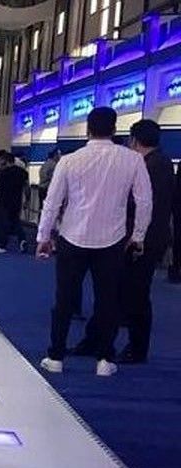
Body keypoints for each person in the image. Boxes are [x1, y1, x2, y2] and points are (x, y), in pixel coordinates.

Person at [36, 107, 151, 377]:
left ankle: (55, 356)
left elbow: (52, 202)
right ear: (115, 129)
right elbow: (145, 201)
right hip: (112, 240)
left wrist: (43, 237)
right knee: (107, 300)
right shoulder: (133, 160)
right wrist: (138, 236)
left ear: (88, 130)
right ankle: (104, 359)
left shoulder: (69, 161)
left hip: (72, 237)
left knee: (64, 300)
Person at [74, 120, 173, 364]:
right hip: (135, 237)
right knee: (115, 291)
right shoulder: (157, 163)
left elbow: (145, 205)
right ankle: (97, 340)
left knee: (134, 294)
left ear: (134, 140)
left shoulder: (154, 165)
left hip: (141, 240)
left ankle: (135, 349)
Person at [0, 151, 29, 253]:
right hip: (17, 200)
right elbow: (26, 187)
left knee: (3, 223)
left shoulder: (3, 172)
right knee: (16, 221)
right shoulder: (22, 172)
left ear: (5, 161)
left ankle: (1, 245)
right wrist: (27, 199)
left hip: (4, 200)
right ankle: (22, 239)